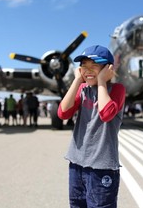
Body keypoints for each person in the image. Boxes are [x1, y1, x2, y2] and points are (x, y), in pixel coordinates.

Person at [58, 45, 126, 208]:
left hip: (101, 167)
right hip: (76, 163)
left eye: (94, 66)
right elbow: (63, 113)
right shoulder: (82, 89)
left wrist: (102, 81)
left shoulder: (117, 89)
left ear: (108, 68)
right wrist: (76, 80)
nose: (88, 70)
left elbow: (106, 114)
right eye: (84, 66)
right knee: (76, 205)